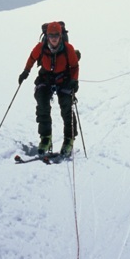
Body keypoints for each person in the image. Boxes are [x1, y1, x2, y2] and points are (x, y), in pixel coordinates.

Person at [18, 21, 80, 157]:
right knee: (42, 103)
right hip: (46, 77)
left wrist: (74, 81)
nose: (53, 38)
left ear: (60, 36)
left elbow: (74, 66)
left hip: (64, 79)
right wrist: (25, 72)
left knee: (66, 106)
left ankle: (69, 139)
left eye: (56, 35)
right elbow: (32, 57)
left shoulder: (68, 48)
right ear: (47, 35)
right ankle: (45, 138)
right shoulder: (41, 47)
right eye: (51, 35)